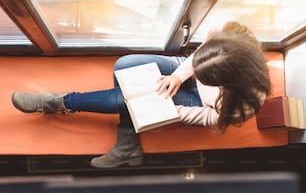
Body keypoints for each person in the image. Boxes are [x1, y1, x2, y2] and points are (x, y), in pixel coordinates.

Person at [11, 21, 271, 168]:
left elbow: (208, 117)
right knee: (124, 66)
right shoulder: (233, 35)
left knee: (125, 97)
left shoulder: (246, 103)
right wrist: (178, 76)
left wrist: (172, 111)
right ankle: (129, 146)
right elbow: (200, 58)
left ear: (229, 79)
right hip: (185, 71)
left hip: (195, 103)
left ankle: (58, 101)